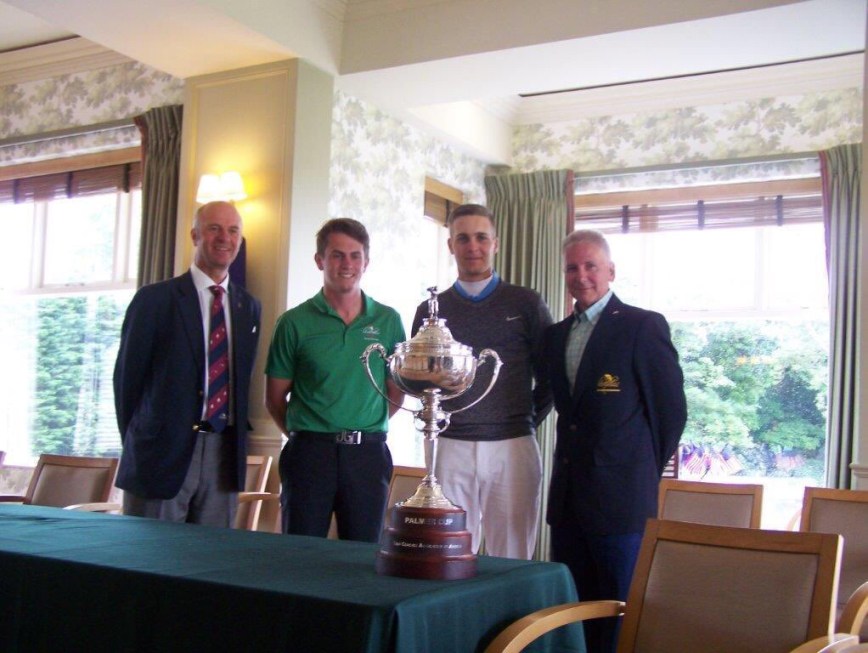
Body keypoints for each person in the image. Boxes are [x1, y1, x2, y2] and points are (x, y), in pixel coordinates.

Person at [543, 229, 687, 653]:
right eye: (573, 266)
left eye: (591, 266)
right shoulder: (554, 336)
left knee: (620, 610)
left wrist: (637, 471)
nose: (581, 275)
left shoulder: (642, 326)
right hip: (568, 501)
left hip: (621, 503)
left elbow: (671, 414)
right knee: (571, 609)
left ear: (610, 271)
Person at [410, 203, 553, 559]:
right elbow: (418, 383)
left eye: (481, 237)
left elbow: (551, 377)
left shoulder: (526, 303)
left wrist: (522, 420)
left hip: (513, 448)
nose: (472, 246)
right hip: (450, 447)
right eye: (463, 238)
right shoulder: (431, 310)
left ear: (495, 244)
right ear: (451, 246)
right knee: (450, 556)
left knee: (513, 555)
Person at [113, 200, 262, 527]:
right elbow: (127, 383)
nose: (225, 238)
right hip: (160, 455)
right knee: (150, 564)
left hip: (223, 457)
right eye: (214, 229)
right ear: (195, 235)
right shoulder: (154, 300)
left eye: (233, 230)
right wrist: (145, 442)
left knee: (208, 566)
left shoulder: (248, 306)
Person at [265, 218, 405, 542]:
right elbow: (273, 400)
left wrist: (362, 425)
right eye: (337, 255)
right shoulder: (293, 323)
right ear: (320, 260)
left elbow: (396, 393)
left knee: (363, 558)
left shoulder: (388, 321)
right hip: (309, 455)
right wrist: (310, 437)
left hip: (368, 456)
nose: (347, 264)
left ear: (366, 263)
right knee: (301, 554)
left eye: (355, 256)